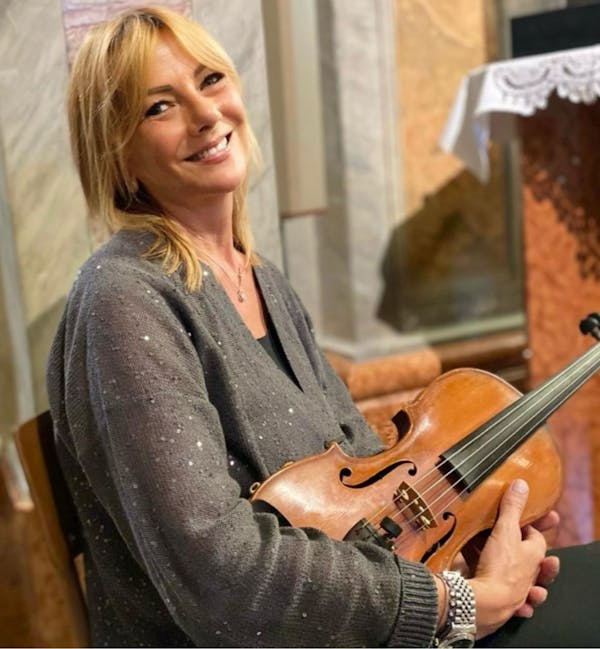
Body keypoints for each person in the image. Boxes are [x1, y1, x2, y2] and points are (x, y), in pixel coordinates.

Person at [46, 5, 597, 648]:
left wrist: (461, 549)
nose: (206, 115)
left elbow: (363, 473)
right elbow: (219, 574)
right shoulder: (123, 299)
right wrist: (456, 604)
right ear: (117, 152)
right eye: (159, 107)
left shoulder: (260, 279)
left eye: (211, 79)